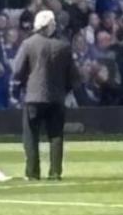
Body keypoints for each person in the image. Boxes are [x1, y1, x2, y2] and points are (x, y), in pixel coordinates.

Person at [11, 10, 79, 181]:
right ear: (49, 26)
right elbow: (73, 75)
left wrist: (19, 88)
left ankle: (32, 172)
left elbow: (17, 70)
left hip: (33, 97)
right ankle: (55, 172)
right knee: (56, 136)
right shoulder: (63, 46)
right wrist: (67, 90)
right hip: (56, 98)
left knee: (31, 137)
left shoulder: (28, 44)